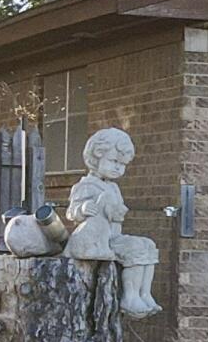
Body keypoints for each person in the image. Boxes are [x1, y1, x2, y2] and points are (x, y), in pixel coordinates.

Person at [65, 126, 162, 316]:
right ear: (96, 156)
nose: (118, 167)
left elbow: (117, 213)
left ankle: (144, 293)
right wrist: (83, 209)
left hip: (114, 236)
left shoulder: (114, 188)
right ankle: (130, 296)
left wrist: (118, 212)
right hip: (98, 241)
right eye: (113, 161)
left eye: (122, 164)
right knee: (134, 248)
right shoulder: (85, 186)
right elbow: (72, 213)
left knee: (148, 245)